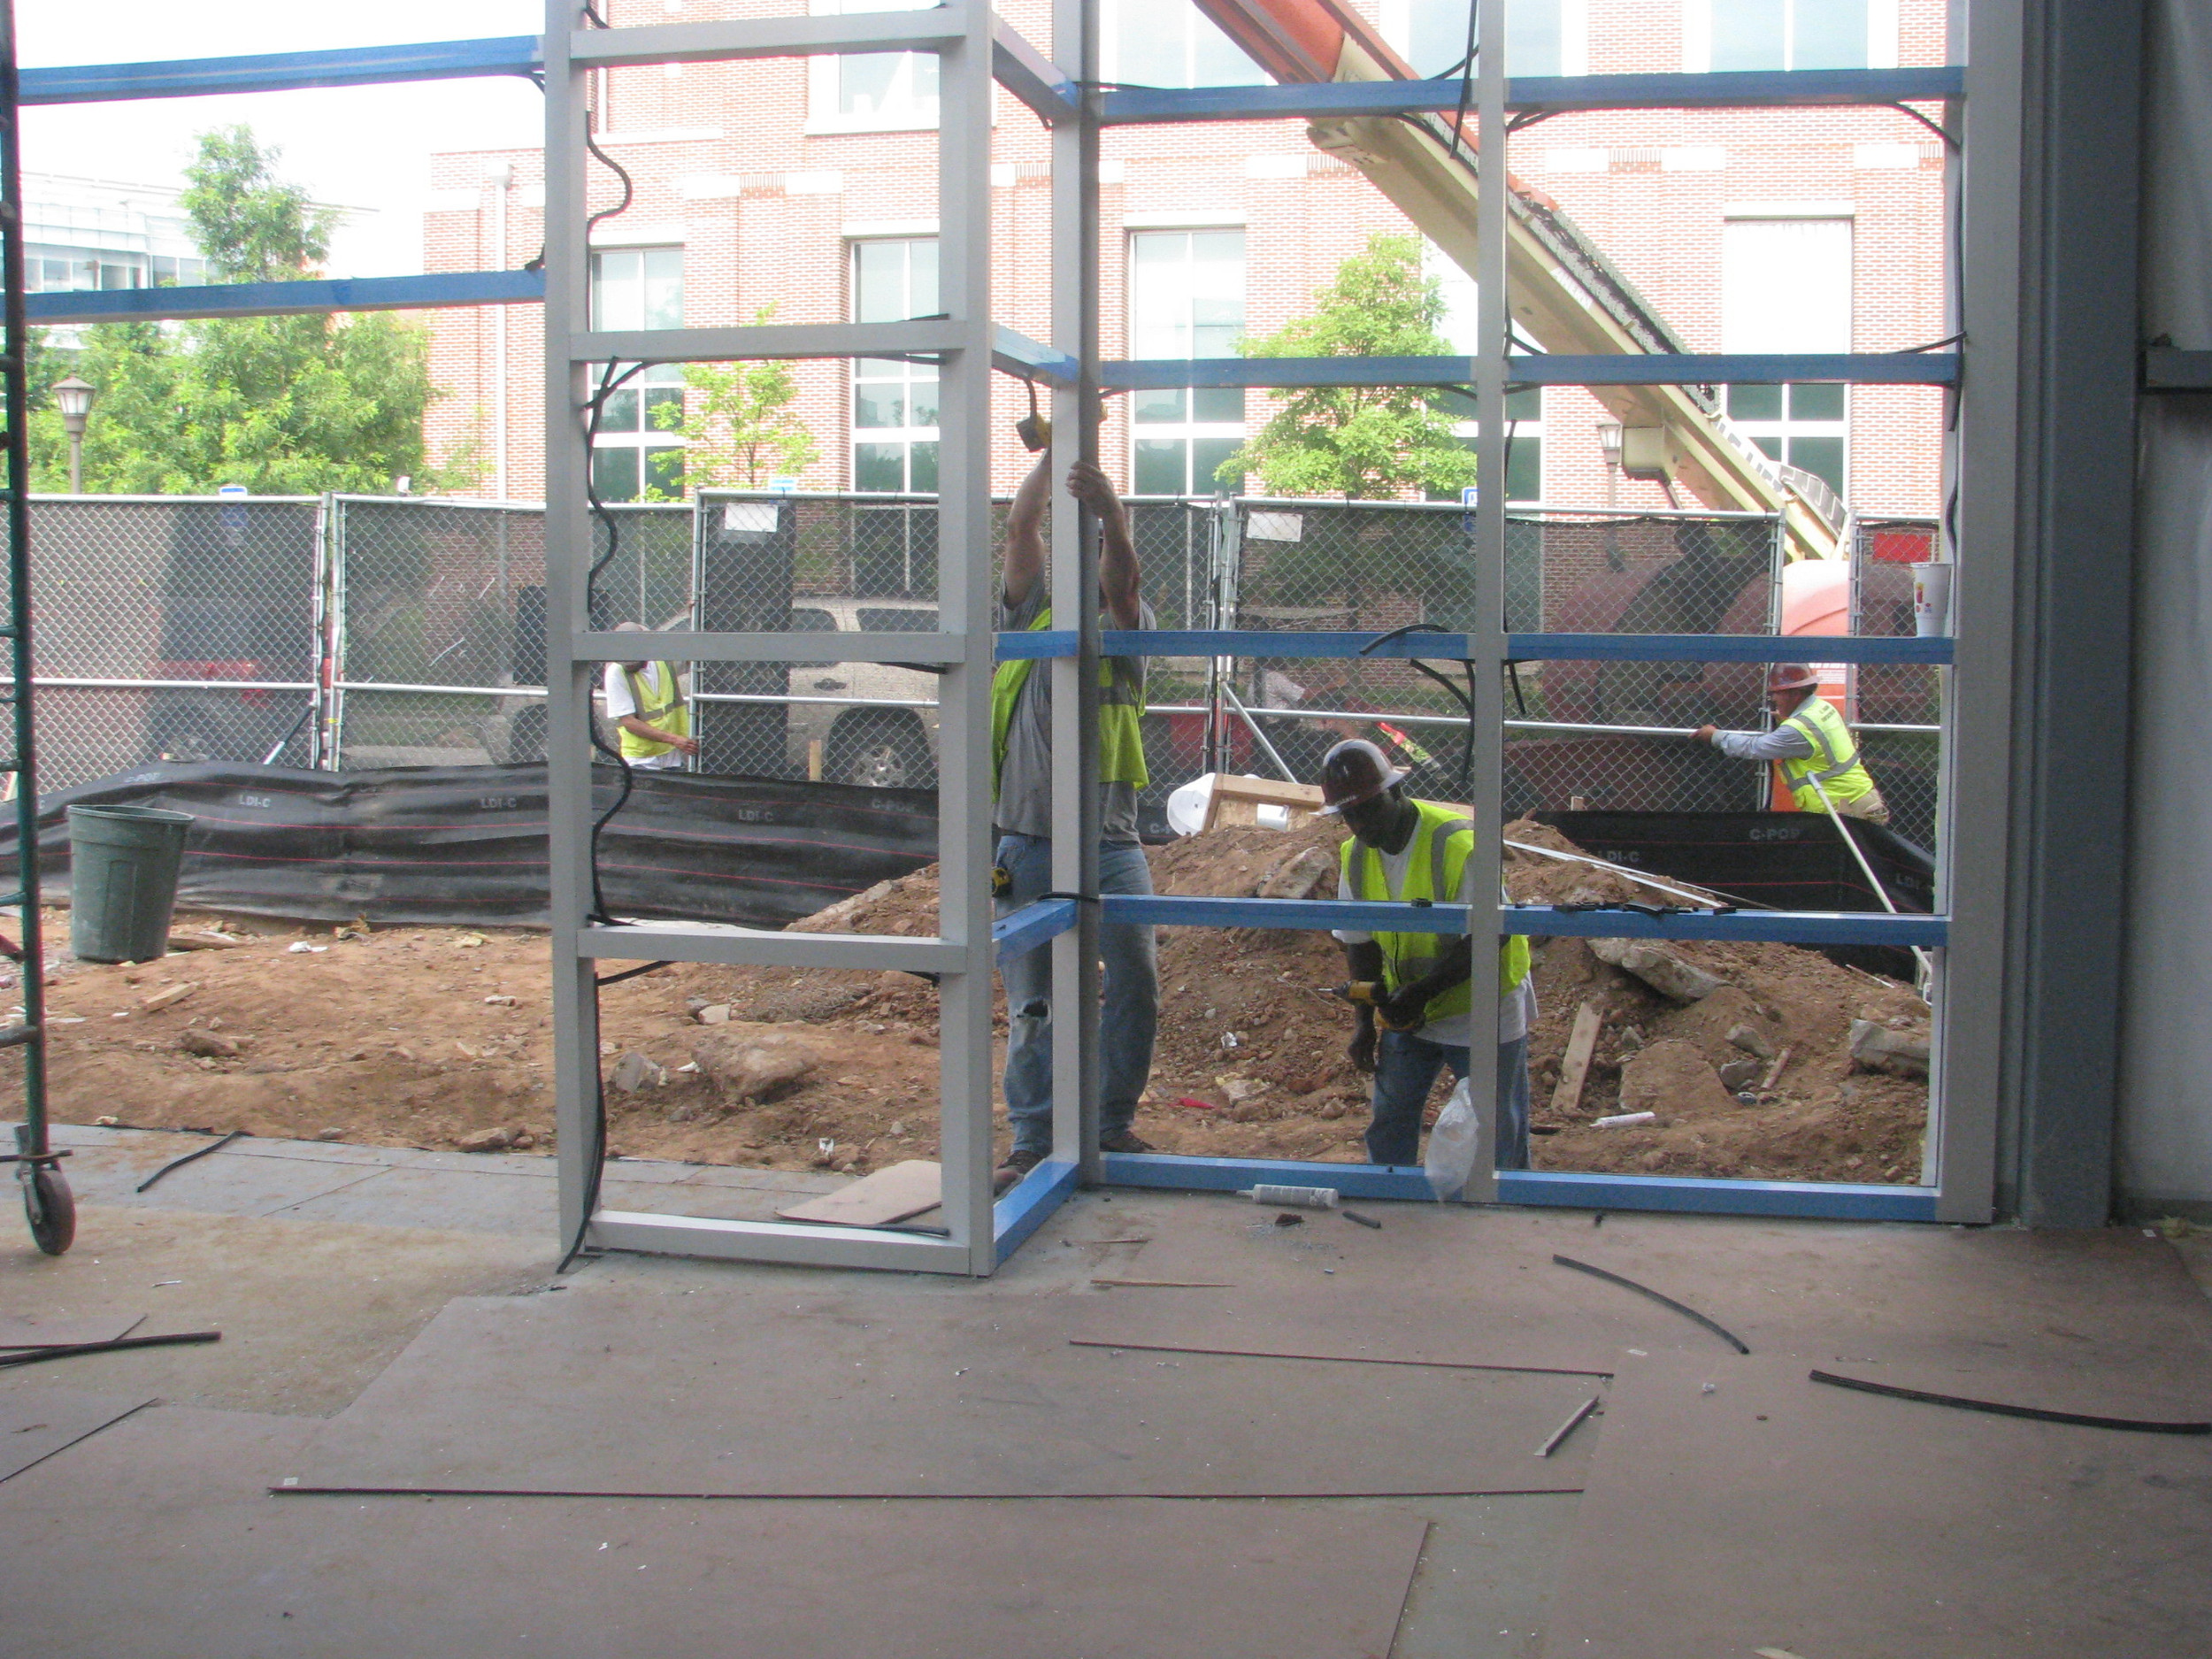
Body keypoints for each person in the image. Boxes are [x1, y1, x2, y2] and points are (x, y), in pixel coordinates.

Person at [991, 452, 1159, 1191]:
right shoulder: (1033, 615)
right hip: (1029, 837)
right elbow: (1021, 526)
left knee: (1135, 979)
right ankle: (1033, 1135)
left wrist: (1113, 514)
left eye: (1094, 551)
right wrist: (1053, 459)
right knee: (1033, 996)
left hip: (1110, 841)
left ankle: (1109, 1122)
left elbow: (1126, 581)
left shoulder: (1127, 630)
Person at [1321, 738, 1536, 1171]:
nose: (1360, 824)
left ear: (1396, 792)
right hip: (1410, 1009)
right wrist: (1365, 1022)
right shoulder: (1355, 857)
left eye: (1368, 807)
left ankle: (1507, 1209)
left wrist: (1420, 992)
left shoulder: (1459, 844)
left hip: (1481, 1007)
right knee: (1391, 1119)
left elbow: (1487, 935)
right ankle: (1389, 1198)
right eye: (1349, 814)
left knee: (1498, 1128)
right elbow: (1359, 944)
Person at [1694, 664, 1888, 824]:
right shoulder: (1822, 708)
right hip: (1859, 800)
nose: (1774, 699)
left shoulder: (1798, 729)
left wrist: (1715, 736)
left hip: (1844, 810)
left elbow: (1755, 747)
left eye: (1777, 693)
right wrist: (1788, 721)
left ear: (1794, 694)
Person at [603, 621, 698, 770]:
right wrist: (674, 739)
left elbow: (692, 652)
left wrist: (695, 614)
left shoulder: (662, 659)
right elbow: (629, 721)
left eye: (632, 662)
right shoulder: (616, 672)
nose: (628, 666)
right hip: (641, 757)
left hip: (670, 755)